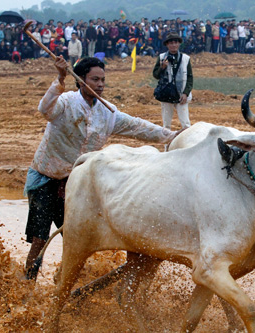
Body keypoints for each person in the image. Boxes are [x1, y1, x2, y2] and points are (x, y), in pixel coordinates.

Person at [24, 56, 177, 280]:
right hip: (46, 177)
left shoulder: (108, 112)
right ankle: (28, 282)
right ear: (81, 79)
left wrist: (172, 136)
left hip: (76, 184)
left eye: (103, 80)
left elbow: (137, 126)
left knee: (75, 237)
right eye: (95, 79)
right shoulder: (66, 102)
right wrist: (60, 77)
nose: (100, 85)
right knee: (40, 239)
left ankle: (61, 279)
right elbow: (44, 109)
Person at [153, 32, 193, 130]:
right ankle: (167, 145)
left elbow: (189, 77)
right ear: (167, 45)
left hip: (181, 95)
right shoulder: (162, 57)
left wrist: (186, 93)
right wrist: (162, 67)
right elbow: (155, 75)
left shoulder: (185, 59)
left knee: (186, 124)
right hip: (166, 94)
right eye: (171, 43)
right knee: (166, 125)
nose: (173, 45)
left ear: (179, 44)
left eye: (175, 42)